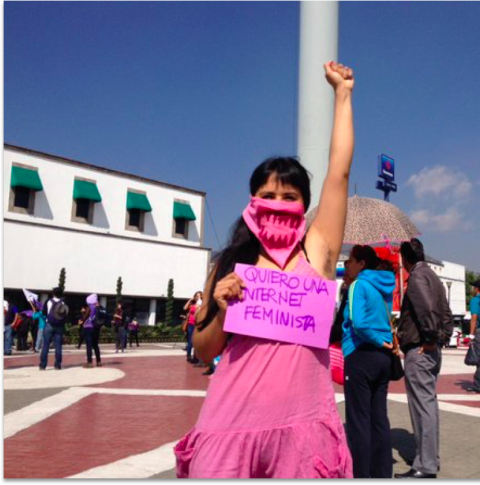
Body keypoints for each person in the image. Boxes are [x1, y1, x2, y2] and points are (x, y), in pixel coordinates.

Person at [175, 61, 356, 479]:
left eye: (289, 196)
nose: (277, 203)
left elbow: (339, 173)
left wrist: (343, 95)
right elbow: (204, 350)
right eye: (267, 194)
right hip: (229, 425)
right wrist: (220, 308)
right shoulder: (227, 263)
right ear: (252, 199)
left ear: (305, 204)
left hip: (303, 429)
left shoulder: (317, 252)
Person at [395, 239, 454, 480]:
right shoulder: (433, 277)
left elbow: (427, 310)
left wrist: (430, 339)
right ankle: (428, 458)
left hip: (420, 349)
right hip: (430, 349)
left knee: (422, 407)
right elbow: (446, 313)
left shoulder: (417, 277)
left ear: (404, 259)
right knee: (428, 405)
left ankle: (426, 466)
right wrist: (442, 337)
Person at [342, 246, 396, 479]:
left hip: (360, 354)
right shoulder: (384, 287)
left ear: (361, 264)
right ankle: (382, 473)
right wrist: (382, 342)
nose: (348, 265)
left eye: (350, 261)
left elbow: (359, 323)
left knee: (358, 422)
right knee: (379, 419)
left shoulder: (359, 285)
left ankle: (361, 473)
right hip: (383, 357)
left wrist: (374, 339)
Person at [40, 287, 68, 371]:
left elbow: (44, 312)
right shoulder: (63, 302)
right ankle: (57, 365)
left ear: (53, 293)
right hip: (59, 326)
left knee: (45, 345)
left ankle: (43, 365)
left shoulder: (48, 301)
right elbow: (65, 314)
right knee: (58, 346)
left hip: (49, 324)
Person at [81, 294, 102, 369]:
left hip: (88, 327)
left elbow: (84, 317)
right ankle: (98, 361)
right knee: (95, 345)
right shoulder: (97, 307)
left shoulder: (89, 307)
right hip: (96, 327)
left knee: (89, 345)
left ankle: (89, 362)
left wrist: (83, 313)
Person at [184, 292, 203, 363]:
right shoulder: (193, 305)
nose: (197, 297)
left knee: (196, 342)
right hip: (191, 324)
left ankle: (195, 357)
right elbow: (185, 308)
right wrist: (189, 300)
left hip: (198, 325)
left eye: (199, 296)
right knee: (190, 341)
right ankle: (189, 355)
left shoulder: (202, 304)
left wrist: (200, 303)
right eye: (196, 296)